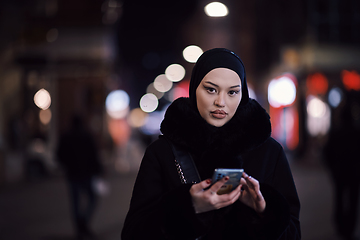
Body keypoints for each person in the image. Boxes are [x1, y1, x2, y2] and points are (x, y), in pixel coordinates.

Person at [121, 48, 301, 240]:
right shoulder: (162, 152)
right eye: (211, 89)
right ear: (194, 90)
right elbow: (133, 233)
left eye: (232, 92)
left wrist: (265, 211)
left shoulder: (269, 152)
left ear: (243, 95)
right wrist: (190, 208)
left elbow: (294, 233)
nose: (220, 102)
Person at [57, 115, 103, 240]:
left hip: (72, 174)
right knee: (92, 198)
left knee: (75, 202)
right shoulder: (86, 136)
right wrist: (98, 170)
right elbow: (94, 154)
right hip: (86, 173)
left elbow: (59, 154)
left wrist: (67, 165)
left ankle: (80, 226)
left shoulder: (66, 136)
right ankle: (83, 223)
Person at [323, 90, 360, 240]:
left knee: (339, 198)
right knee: (353, 199)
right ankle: (350, 227)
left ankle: (340, 225)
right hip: (354, 172)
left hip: (339, 172)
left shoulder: (336, 132)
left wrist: (332, 168)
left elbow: (327, 153)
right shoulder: (356, 133)